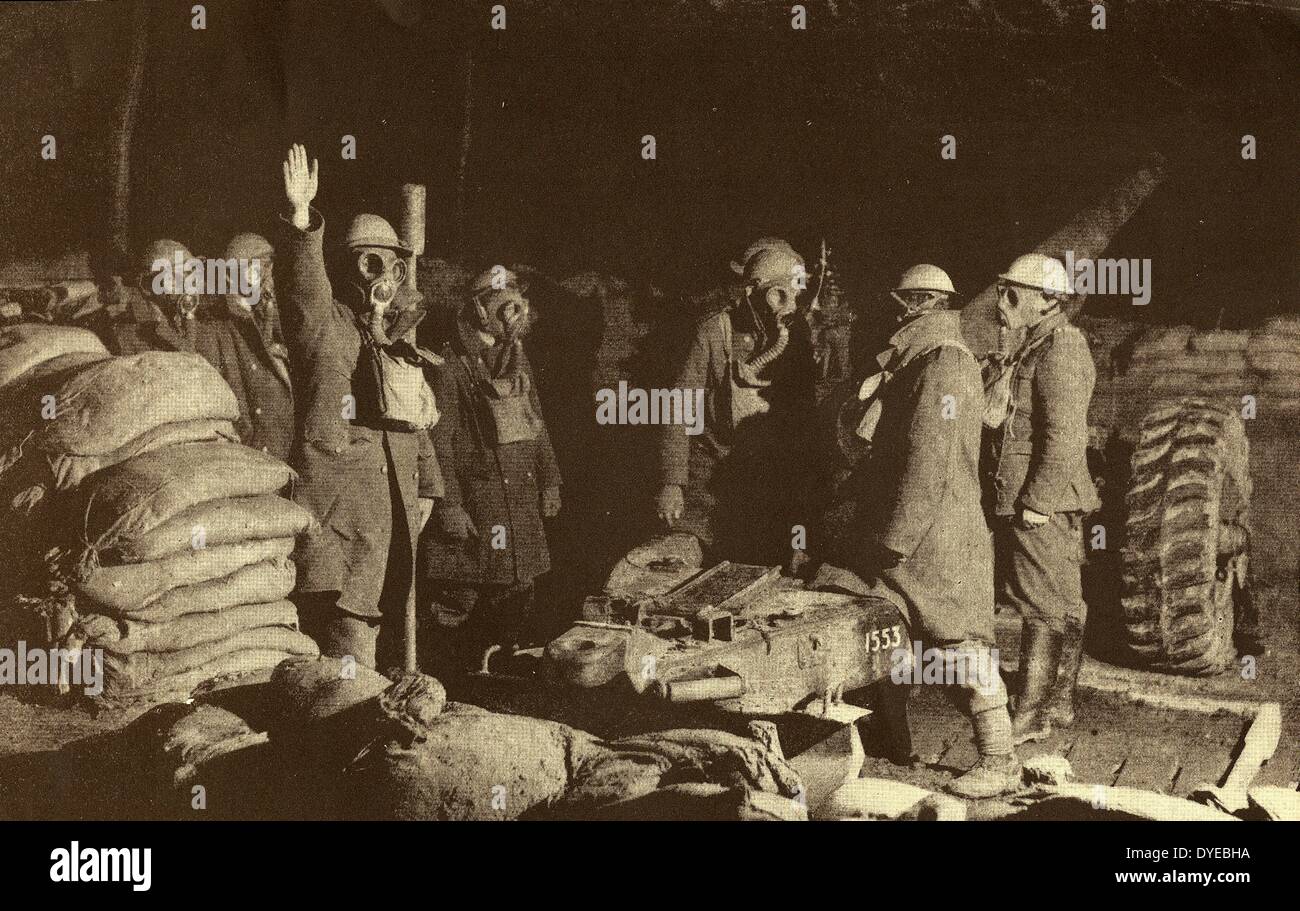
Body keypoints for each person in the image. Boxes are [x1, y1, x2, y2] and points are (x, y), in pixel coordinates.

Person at [835, 264, 1021, 799]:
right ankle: (887, 742)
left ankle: (999, 758)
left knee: (957, 644)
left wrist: (896, 538)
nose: (892, 313)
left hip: (934, 534)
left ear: (916, 305)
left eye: (901, 303)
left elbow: (928, 459)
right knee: (894, 635)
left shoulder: (943, 363)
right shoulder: (926, 358)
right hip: (926, 528)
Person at [277, 143, 442, 668]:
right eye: (365, 262)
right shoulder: (325, 325)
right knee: (345, 640)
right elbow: (305, 289)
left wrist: (431, 486)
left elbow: (412, 424)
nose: (379, 277)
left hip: (389, 515)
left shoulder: (399, 341)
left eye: (388, 264)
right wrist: (303, 221)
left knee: (378, 632)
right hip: (336, 514)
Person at [418, 266, 560, 674]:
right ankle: (445, 673)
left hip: (517, 498)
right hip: (477, 500)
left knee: (517, 586)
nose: (511, 307)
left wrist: (550, 480)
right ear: (478, 308)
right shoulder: (449, 364)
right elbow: (438, 442)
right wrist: (448, 506)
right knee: (459, 593)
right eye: (502, 298)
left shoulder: (516, 356)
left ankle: (497, 668)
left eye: (515, 296)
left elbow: (536, 422)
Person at [983, 253, 1099, 743]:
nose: (1002, 303)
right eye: (1002, 292)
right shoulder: (1033, 345)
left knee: (1043, 608)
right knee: (1060, 604)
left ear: (1049, 300)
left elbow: (1066, 437)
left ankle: (1027, 718)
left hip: (1041, 503)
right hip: (1030, 498)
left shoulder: (1062, 349)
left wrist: (1039, 499)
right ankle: (1057, 706)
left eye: (1014, 295)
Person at [655, 240, 821, 567]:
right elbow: (678, 405)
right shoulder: (714, 331)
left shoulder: (796, 336)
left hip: (771, 472)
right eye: (778, 293)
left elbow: (803, 417)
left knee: (773, 562)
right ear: (752, 292)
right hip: (714, 466)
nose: (786, 305)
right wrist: (671, 482)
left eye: (793, 294)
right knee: (695, 560)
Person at [81, 236, 296, 461]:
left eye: (194, 269)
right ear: (149, 285)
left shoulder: (215, 325)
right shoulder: (127, 337)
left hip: (239, 452)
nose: (192, 280)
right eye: (178, 273)